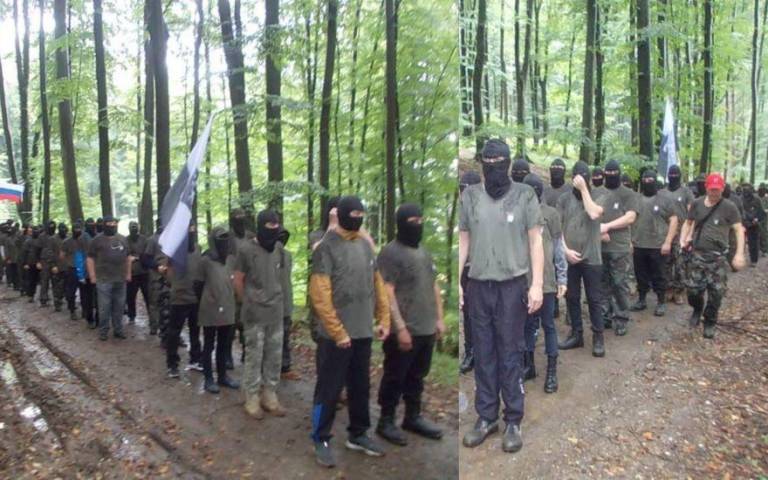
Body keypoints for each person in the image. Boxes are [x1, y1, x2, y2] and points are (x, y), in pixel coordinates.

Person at [459, 139, 544, 454]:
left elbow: (535, 241)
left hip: (512, 286)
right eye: (488, 161)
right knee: (483, 352)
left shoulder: (525, 195)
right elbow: (464, 239)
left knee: (510, 352)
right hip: (479, 285)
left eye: (498, 161)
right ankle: (486, 416)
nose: (493, 166)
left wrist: (537, 284)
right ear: (481, 163)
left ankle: (513, 419)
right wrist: (457, 281)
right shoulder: (469, 196)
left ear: (507, 163)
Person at [309, 195, 391, 467]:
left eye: (360, 214)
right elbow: (320, 295)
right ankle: (320, 438)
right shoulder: (325, 248)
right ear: (341, 214)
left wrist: (384, 319)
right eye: (352, 214)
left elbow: (377, 284)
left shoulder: (365, 247)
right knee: (328, 390)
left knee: (360, 387)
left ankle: (358, 434)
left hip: (362, 331)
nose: (357, 218)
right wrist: (338, 332)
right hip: (335, 337)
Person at [376, 203, 446, 446]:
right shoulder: (390, 253)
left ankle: (412, 417)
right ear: (401, 223)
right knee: (395, 376)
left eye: (420, 220)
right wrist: (400, 328)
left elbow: (433, 286)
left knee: (417, 376)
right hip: (404, 330)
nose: (417, 224)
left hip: (426, 327)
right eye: (412, 221)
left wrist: (439, 318)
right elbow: (387, 292)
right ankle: (386, 420)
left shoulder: (424, 253)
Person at [234, 209, 287, 419]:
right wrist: (246, 301)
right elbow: (238, 279)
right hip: (254, 313)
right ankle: (252, 397)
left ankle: (270, 394)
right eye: (269, 226)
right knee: (254, 356)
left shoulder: (279, 249)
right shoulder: (246, 250)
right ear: (260, 226)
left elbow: (279, 275)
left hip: (276, 311)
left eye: (276, 226)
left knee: (274, 355)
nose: (274, 230)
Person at [680, 173, 746, 339]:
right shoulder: (697, 204)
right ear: (706, 188)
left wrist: (739, 254)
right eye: (712, 189)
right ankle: (697, 308)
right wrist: (683, 240)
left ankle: (710, 321)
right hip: (697, 255)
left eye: (717, 189)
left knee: (716, 293)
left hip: (718, 258)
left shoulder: (729, 207)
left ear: (722, 189)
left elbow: (739, 230)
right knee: (693, 291)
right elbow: (688, 223)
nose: (715, 192)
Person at [522, 173, 566, 393]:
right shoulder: (517, 213)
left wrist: (562, 277)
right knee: (527, 325)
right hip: (522, 281)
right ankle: (528, 365)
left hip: (546, 281)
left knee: (548, 325)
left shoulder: (551, 214)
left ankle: (552, 371)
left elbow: (558, 247)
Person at [557, 161, 606, 356]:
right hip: (570, 257)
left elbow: (593, 213)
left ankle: (598, 337)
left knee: (594, 299)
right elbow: (557, 229)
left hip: (592, 258)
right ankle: (576, 334)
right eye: (577, 177)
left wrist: (584, 189)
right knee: (572, 297)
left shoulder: (599, 195)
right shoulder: (563, 199)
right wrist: (565, 251)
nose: (580, 180)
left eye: (584, 177)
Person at [595, 160, 638, 335]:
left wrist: (607, 227)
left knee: (619, 283)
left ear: (619, 173)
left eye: (614, 173)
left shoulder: (628, 194)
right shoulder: (597, 192)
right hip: (599, 247)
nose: (611, 176)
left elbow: (630, 217)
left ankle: (621, 317)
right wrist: (598, 232)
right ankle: (604, 315)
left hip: (619, 247)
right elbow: (589, 214)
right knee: (602, 283)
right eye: (608, 173)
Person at [195, 227, 240, 393]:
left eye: (226, 238)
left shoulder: (231, 259)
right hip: (210, 308)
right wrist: (208, 299)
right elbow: (197, 284)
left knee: (224, 343)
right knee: (209, 344)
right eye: (221, 238)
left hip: (227, 306)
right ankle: (208, 379)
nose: (224, 241)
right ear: (213, 240)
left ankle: (222, 376)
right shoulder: (205, 260)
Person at [631, 170, 679, 317]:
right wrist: (630, 241)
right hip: (639, 244)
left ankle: (661, 302)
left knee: (660, 275)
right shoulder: (636, 199)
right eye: (645, 180)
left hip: (658, 245)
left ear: (655, 181)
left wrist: (668, 242)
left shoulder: (665, 199)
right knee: (640, 274)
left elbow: (674, 220)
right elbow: (629, 219)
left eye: (650, 180)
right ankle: (641, 299)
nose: (648, 182)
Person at [163, 223, 203, 377]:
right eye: (188, 230)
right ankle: (172, 364)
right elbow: (169, 273)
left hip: (195, 297)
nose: (191, 232)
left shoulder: (198, 248)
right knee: (174, 332)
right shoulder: (174, 250)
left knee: (195, 330)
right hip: (179, 297)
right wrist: (176, 284)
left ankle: (195, 359)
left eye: (193, 229)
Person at [87, 216, 131, 341]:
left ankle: (118, 330)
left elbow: (128, 257)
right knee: (104, 306)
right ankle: (103, 331)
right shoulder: (97, 240)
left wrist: (128, 274)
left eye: (114, 223)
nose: (112, 225)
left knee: (119, 306)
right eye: (109, 223)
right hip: (103, 279)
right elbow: (90, 258)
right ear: (104, 225)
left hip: (120, 278)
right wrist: (92, 276)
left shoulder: (122, 239)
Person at [658, 165, 695, 304]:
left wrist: (689, 234)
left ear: (680, 175)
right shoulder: (661, 192)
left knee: (680, 265)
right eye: (671, 174)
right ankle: (668, 289)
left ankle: (679, 291)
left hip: (681, 234)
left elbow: (692, 213)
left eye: (676, 174)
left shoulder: (686, 192)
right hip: (665, 233)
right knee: (665, 264)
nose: (673, 176)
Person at [458, 171, 481, 375]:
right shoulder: (460, 213)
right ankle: (470, 351)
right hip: (466, 270)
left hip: (485, 270)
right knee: (467, 312)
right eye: (461, 189)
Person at [228, 208, 255, 368]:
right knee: (230, 322)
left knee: (247, 320)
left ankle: (246, 351)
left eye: (242, 217)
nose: (240, 220)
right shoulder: (227, 238)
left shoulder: (251, 236)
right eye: (237, 217)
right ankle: (227, 355)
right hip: (231, 283)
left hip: (248, 283)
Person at [142, 219, 170, 338]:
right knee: (154, 301)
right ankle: (154, 326)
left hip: (170, 276)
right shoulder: (152, 240)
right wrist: (157, 266)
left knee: (170, 302)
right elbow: (145, 259)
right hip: (156, 276)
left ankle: (168, 327)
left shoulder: (172, 239)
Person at [61, 220, 93, 324]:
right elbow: (62, 255)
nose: (77, 231)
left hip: (84, 269)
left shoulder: (86, 240)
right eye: (75, 229)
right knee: (71, 292)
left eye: (79, 229)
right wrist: (68, 263)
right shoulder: (67, 242)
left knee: (85, 292)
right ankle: (72, 310)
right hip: (72, 269)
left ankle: (85, 311)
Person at [278, 227, 299, 381]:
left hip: (286, 302)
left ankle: (285, 367)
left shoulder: (288, 255)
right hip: (272, 304)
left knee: (285, 336)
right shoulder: (267, 255)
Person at [126, 221, 150, 323]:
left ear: (138, 228)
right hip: (132, 273)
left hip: (144, 272)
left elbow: (147, 254)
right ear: (129, 229)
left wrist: (136, 257)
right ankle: (132, 316)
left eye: (135, 227)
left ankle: (151, 315)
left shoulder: (144, 239)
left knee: (148, 296)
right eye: (132, 228)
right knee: (130, 296)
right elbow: (125, 255)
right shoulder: (125, 240)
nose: (134, 229)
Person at [739, 183, 766, 266]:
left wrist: (757, 219)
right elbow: (738, 211)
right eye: (744, 190)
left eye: (748, 190)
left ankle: (754, 260)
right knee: (740, 243)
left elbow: (762, 213)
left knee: (753, 243)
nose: (746, 192)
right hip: (743, 224)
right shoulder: (740, 199)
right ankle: (739, 258)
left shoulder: (757, 200)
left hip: (754, 224)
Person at [48, 222, 69, 312]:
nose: (63, 230)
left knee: (67, 286)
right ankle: (57, 303)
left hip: (68, 266)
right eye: (61, 229)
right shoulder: (52, 239)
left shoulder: (69, 239)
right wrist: (53, 265)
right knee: (57, 286)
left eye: (64, 229)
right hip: (57, 266)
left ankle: (67, 301)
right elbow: (50, 252)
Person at [38, 220, 58, 307]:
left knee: (55, 281)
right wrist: (38, 261)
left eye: (53, 226)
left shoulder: (56, 236)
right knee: (44, 281)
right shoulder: (41, 236)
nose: (51, 228)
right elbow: (37, 249)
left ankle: (57, 300)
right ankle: (43, 299)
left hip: (55, 261)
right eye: (50, 226)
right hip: (44, 261)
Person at [22, 225, 41, 302]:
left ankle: (43, 297)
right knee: (31, 280)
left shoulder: (41, 240)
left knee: (41, 280)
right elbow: (24, 253)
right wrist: (25, 263)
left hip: (40, 263)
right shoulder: (28, 241)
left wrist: (40, 262)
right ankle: (30, 295)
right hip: (31, 263)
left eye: (37, 231)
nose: (36, 232)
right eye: (34, 231)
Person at [758, 183, 768, 255]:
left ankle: (764, 250)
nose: (762, 191)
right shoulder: (756, 197)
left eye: (763, 189)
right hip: (757, 218)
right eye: (761, 189)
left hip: (764, 219)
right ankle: (758, 249)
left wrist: (766, 210)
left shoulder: (766, 198)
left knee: (764, 234)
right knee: (757, 234)